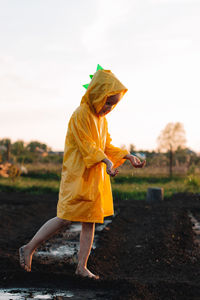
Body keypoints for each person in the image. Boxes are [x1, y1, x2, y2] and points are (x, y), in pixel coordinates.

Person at [19, 66, 146, 279]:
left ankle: (81, 267)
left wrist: (128, 156)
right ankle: (28, 247)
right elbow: (88, 146)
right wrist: (105, 161)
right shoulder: (81, 115)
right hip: (78, 176)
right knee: (64, 218)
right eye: (107, 102)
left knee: (90, 221)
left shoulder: (101, 120)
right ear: (96, 94)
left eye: (113, 105)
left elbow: (106, 146)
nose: (109, 108)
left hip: (94, 178)